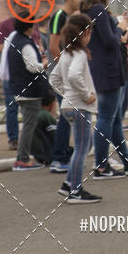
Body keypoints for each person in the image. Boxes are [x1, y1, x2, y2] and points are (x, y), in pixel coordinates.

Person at [79, 0, 128, 178]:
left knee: (113, 118)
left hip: (100, 68)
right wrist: (120, 29)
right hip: (108, 69)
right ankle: (101, 165)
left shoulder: (88, 10)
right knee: (107, 117)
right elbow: (108, 39)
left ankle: (127, 161)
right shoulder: (98, 9)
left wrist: (118, 26)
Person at [50, 13, 101, 204]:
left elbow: (54, 79)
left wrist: (66, 94)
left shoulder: (66, 54)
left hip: (68, 106)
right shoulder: (79, 54)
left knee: (85, 145)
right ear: (86, 33)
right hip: (79, 106)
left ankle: (68, 183)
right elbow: (73, 76)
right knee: (81, 149)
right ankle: (75, 191)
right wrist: (85, 95)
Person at [7, 18, 53, 170]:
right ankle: (23, 159)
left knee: (27, 125)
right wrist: (45, 64)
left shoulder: (14, 41)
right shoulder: (26, 44)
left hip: (20, 90)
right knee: (29, 126)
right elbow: (33, 67)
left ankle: (21, 158)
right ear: (28, 26)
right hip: (30, 92)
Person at [47, 0, 83, 174]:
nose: (80, 1)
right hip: (61, 74)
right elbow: (53, 46)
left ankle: (63, 154)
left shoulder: (71, 18)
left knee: (69, 115)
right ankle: (59, 158)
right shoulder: (59, 16)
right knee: (66, 115)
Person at [0, 28, 18, 149]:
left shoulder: (33, 26)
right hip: (9, 75)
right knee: (12, 108)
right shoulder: (6, 25)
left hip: (25, 76)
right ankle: (13, 139)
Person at [31, 95, 58, 165]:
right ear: (52, 103)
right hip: (43, 155)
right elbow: (55, 137)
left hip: (31, 153)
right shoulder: (46, 116)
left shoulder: (33, 113)